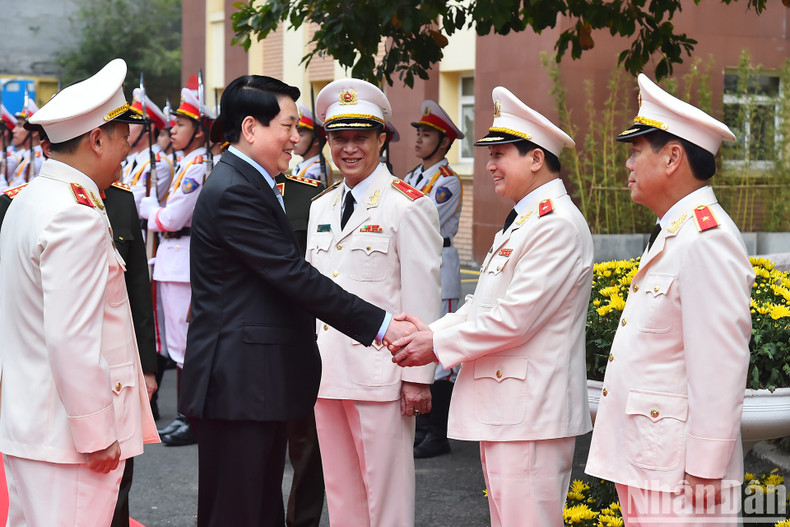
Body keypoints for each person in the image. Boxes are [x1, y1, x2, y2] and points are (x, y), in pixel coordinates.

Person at [178, 74, 415, 527]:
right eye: (288, 126)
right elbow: (293, 275)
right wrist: (383, 326)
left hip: (254, 384)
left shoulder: (251, 181)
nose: (296, 138)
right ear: (251, 128)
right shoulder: (235, 190)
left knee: (258, 507)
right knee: (238, 511)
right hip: (239, 385)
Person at [390, 86, 593, 527]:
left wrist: (435, 343)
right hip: (510, 410)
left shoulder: (555, 226)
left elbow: (513, 321)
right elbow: (482, 305)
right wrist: (428, 330)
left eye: (501, 153)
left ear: (536, 158)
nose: (490, 165)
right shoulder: (524, 220)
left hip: (531, 415)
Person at [584, 74, 754, 525]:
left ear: (673, 157)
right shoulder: (677, 233)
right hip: (652, 461)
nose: (628, 163)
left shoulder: (706, 239)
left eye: (637, 150)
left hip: (682, 475)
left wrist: (705, 467)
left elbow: (721, 363)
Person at [0, 57, 159, 526]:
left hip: (32, 427)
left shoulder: (29, 199)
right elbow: (72, 337)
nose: (124, 155)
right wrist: (96, 433)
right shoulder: (75, 213)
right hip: (68, 442)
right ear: (96, 140)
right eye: (122, 143)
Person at [307, 79, 442, 527]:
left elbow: (422, 295)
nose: (349, 149)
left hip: (381, 377)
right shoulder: (320, 207)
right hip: (327, 375)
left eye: (360, 138)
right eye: (339, 139)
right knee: (343, 497)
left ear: (381, 139)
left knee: (387, 500)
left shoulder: (408, 206)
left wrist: (418, 378)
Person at [139, 87, 215, 447]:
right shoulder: (187, 163)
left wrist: (145, 206)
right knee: (178, 348)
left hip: (184, 261)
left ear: (199, 130)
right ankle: (189, 415)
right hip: (171, 261)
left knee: (187, 348)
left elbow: (170, 219)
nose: (172, 129)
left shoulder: (198, 168)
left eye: (181, 124)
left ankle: (193, 417)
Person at [404, 99, 465, 458]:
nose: (419, 140)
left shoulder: (447, 181)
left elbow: (422, 220)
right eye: (419, 133)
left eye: (427, 135)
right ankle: (423, 428)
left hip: (438, 261)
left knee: (438, 347)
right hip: (416, 261)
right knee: (417, 340)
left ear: (443, 143)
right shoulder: (413, 177)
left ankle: (437, 434)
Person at [271, 169, 327, 527]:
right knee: (258, 448)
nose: (290, 138)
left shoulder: (310, 196)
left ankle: (302, 521)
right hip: (251, 338)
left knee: (306, 443)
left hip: (302, 331)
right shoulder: (229, 187)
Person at [124, 88, 175, 211]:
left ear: (148, 127)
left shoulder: (158, 164)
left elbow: (130, 205)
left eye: (132, 122)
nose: (127, 128)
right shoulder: (134, 161)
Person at [291, 104, 332, 185]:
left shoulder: (317, 168)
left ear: (316, 141)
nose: (294, 139)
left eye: (300, 134)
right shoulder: (302, 165)